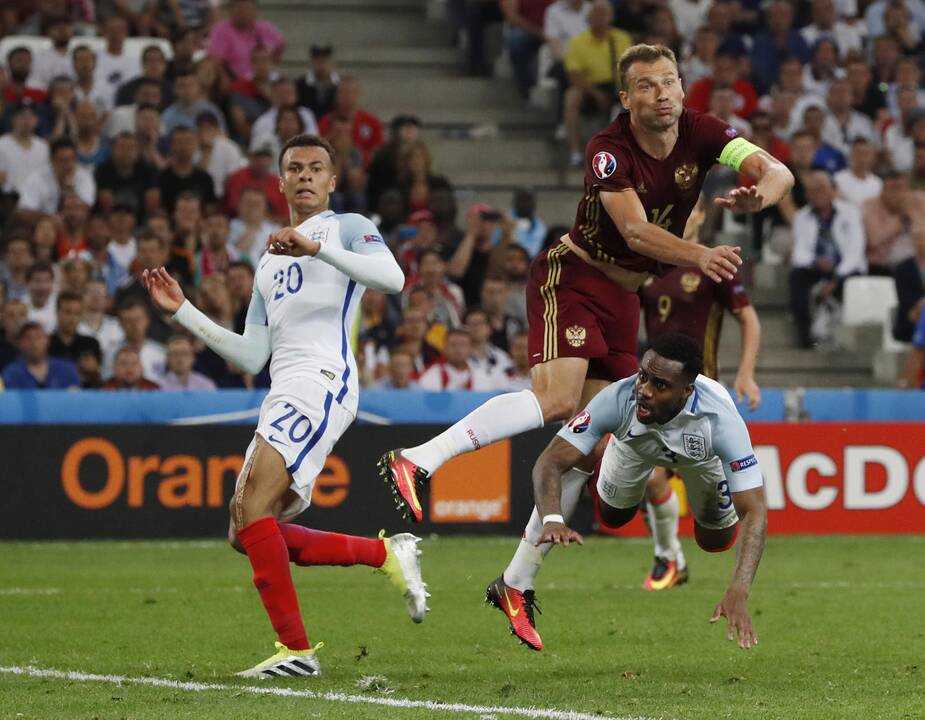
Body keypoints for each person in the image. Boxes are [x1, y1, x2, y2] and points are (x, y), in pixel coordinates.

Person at [378, 43, 792, 540]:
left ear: (682, 86)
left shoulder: (703, 132)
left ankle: (517, 583)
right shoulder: (608, 152)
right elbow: (636, 233)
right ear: (626, 98)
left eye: (669, 81)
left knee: (595, 442)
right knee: (556, 402)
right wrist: (699, 253)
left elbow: (778, 171)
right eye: (646, 85)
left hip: (624, 298)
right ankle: (420, 458)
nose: (662, 94)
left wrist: (759, 197)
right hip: (575, 276)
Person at [141, 133, 426, 678]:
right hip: (283, 386)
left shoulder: (346, 227)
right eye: (294, 168)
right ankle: (386, 555)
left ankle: (295, 651)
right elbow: (252, 354)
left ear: (333, 180)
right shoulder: (267, 260)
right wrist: (183, 311)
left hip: (323, 379)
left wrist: (317, 247)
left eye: (316, 168)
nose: (305, 176)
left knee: (252, 512)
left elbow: (393, 279)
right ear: (279, 181)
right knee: (243, 530)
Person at [491, 333, 767, 651]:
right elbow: (549, 461)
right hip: (634, 446)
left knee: (715, 541)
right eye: (643, 376)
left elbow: (755, 509)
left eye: (660, 385)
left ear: (687, 391)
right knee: (613, 516)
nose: (644, 391)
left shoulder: (720, 421)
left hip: (703, 460)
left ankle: (660, 490)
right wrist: (552, 519)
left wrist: (740, 589)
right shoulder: (619, 398)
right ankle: (637, 469)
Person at [634, 202, 761, 590]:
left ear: (702, 216)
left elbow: (748, 317)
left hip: (700, 395)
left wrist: (745, 372)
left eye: (691, 210)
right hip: (655, 393)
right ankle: (668, 558)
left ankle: (683, 558)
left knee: (715, 507)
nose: (683, 215)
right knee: (650, 479)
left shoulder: (713, 265)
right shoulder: (649, 263)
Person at [789, 171, 867, 348]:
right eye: (812, 190)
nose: (817, 195)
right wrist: (815, 261)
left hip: (846, 268)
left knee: (848, 279)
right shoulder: (802, 216)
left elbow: (855, 251)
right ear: (807, 194)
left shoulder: (850, 213)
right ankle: (805, 334)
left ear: (833, 190)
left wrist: (836, 277)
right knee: (796, 277)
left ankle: (841, 338)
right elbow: (799, 252)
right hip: (817, 266)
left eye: (822, 189)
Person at [2, 321, 80, 389]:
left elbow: (75, 400)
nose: (34, 343)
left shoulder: (66, 369)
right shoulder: (12, 373)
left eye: (38, 337)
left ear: (47, 340)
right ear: (20, 343)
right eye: (28, 338)